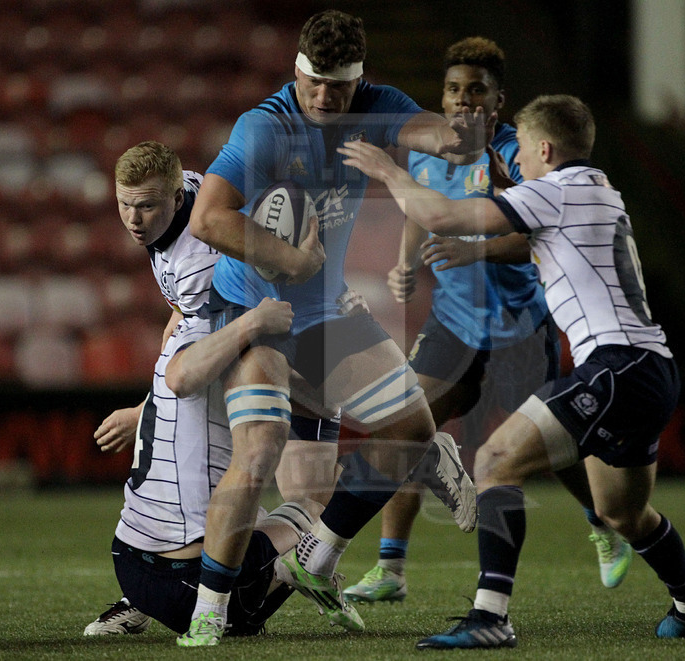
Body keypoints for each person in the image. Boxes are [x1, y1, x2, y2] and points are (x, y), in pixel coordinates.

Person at [338, 94, 685, 648]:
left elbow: (443, 215)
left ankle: (491, 617)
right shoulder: (596, 189)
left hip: (617, 365)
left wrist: (386, 169)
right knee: (622, 513)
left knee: (495, 461)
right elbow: (531, 243)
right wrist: (504, 194)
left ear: (545, 148)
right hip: (652, 370)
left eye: (521, 149)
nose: (515, 159)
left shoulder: (557, 189)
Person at [181, 9, 489, 645]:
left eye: (338, 86)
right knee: (261, 449)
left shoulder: (380, 107)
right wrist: (288, 257)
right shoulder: (265, 127)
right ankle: (207, 608)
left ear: (361, 79)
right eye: (313, 81)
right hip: (253, 316)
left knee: (409, 425)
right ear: (296, 67)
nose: (323, 97)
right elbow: (208, 219)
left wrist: (455, 134)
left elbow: (455, 142)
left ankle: (316, 558)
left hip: (324, 311)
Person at [344, 37, 632, 606]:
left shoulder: (520, 156)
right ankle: (390, 568)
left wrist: (474, 249)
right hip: (453, 320)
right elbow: (419, 208)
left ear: (498, 101)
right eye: (454, 89)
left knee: (555, 445)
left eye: (476, 90)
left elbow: (530, 242)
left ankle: (601, 524)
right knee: (407, 425)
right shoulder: (429, 151)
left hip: (518, 321)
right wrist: (406, 261)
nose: (463, 100)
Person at [84, 141, 354, 638]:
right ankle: (290, 568)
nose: (133, 218)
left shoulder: (206, 266)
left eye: (145, 206)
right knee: (307, 499)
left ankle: (144, 598)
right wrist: (148, 405)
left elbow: (186, 367)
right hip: (230, 335)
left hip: (132, 556)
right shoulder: (185, 198)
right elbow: (182, 355)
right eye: (124, 203)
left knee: (263, 443)